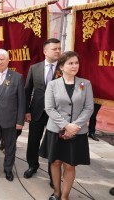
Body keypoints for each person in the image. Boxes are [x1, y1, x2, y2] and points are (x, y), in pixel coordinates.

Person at [40, 51, 94, 200]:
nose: (74, 66)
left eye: (76, 63)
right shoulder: (53, 84)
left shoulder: (85, 83)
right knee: (56, 162)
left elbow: (89, 108)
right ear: (62, 67)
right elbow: (49, 108)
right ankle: (56, 192)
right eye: (70, 63)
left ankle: (65, 196)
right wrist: (65, 125)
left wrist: (75, 126)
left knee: (70, 165)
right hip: (55, 130)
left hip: (78, 131)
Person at [24, 38, 61, 185]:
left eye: (59, 48)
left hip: (57, 114)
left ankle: (54, 174)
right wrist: (26, 110)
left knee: (54, 144)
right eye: (54, 49)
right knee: (33, 141)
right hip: (37, 111)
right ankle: (32, 165)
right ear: (45, 51)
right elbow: (28, 90)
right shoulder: (35, 68)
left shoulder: (64, 68)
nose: (58, 51)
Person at [0, 49, 25, 181]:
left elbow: (21, 101)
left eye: (2, 59)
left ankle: (8, 169)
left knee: (9, 146)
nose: (0, 62)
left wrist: (20, 121)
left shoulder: (17, 77)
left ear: (8, 60)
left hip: (10, 119)